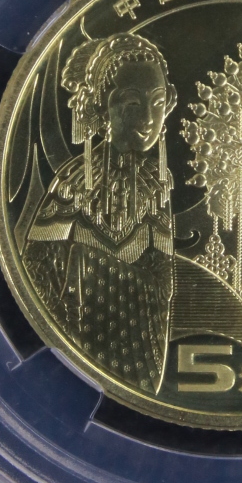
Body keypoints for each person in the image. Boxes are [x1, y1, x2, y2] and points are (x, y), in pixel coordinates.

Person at [20, 34, 177, 395]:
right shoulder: (73, 182)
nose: (148, 118)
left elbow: (163, 281)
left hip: (139, 348)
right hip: (78, 339)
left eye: (157, 103)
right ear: (104, 106)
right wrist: (68, 315)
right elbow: (35, 266)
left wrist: (116, 278)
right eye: (132, 103)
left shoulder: (157, 185)